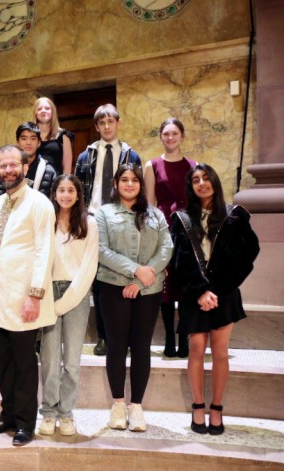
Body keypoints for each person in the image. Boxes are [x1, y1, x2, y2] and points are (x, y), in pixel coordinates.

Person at [170, 164, 259, 435]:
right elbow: (178, 260)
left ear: (215, 182)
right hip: (195, 295)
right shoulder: (182, 218)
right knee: (196, 350)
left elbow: (248, 255)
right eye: (196, 180)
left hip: (224, 293)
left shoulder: (235, 215)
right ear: (191, 187)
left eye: (206, 178)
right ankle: (198, 407)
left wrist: (217, 291)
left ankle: (217, 408)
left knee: (220, 352)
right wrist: (200, 291)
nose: (201, 184)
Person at [0, 145, 55, 447]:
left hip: (24, 299)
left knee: (23, 365)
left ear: (25, 166)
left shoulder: (39, 203)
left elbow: (43, 250)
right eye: (3, 166)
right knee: (4, 363)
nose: (8, 170)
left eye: (14, 165)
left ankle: (25, 423)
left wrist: (34, 295)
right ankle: (7, 415)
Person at [95, 164, 172, 433]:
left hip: (147, 290)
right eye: (124, 180)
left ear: (141, 184)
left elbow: (166, 248)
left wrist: (140, 281)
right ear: (116, 184)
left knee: (141, 347)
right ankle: (118, 404)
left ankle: (136, 406)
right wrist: (134, 270)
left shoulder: (155, 214)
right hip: (113, 286)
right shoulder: (103, 213)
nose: (129, 184)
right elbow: (101, 250)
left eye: (134, 180)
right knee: (116, 346)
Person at [75, 103, 142, 357]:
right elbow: (77, 190)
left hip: (121, 220)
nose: (106, 126)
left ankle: (123, 337)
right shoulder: (86, 156)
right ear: (96, 127)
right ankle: (103, 336)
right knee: (100, 283)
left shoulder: (131, 156)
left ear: (118, 123)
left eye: (110, 122)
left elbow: (137, 188)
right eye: (101, 123)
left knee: (122, 278)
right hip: (92, 220)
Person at [38, 175, 98, 437]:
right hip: (48, 291)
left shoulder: (89, 223)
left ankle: (66, 413)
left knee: (72, 359)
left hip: (77, 292)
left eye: (70, 190)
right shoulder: (45, 222)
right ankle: (49, 412)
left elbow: (89, 266)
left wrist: (64, 302)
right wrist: (47, 300)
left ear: (78, 194)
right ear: (54, 193)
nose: (65, 195)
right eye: (61, 190)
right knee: (50, 358)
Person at [144, 118, 196, 358]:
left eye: (175, 133)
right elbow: (150, 204)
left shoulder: (194, 165)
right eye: (166, 134)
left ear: (182, 136)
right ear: (161, 137)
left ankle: (184, 335)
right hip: (163, 227)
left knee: (185, 284)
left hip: (187, 228)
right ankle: (168, 338)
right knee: (166, 285)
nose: (170, 137)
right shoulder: (152, 165)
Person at [0, 121, 57, 201]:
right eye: (24, 139)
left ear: (39, 143)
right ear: (17, 142)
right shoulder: (6, 169)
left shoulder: (48, 170)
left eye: (33, 139)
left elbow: (52, 202)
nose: (28, 143)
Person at [33, 97, 74, 175]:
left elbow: (67, 169)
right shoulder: (28, 134)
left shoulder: (63, 136)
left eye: (47, 108)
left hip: (54, 182)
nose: (43, 111)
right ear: (35, 113)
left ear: (53, 112)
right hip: (31, 181)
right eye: (39, 109)